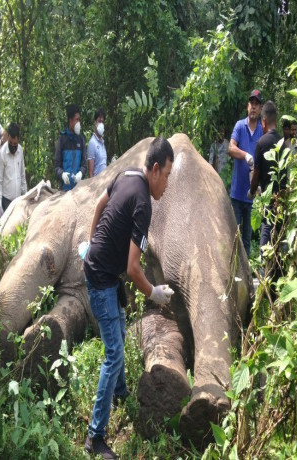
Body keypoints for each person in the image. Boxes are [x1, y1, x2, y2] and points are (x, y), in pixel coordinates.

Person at [84, 137, 175, 459]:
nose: (167, 182)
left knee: (120, 331)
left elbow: (99, 206)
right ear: (154, 169)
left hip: (102, 271)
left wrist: (94, 242)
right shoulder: (143, 205)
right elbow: (134, 268)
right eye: (166, 174)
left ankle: (120, 393)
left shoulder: (127, 176)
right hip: (101, 279)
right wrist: (154, 293)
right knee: (114, 355)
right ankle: (95, 437)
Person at [248, 101, 286, 281]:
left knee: (265, 247)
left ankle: (264, 288)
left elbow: (256, 174)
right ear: (275, 121)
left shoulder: (261, 143)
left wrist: (251, 190)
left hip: (269, 205)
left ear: (263, 122)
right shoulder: (284, 143)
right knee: (280, 247)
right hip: (283, 205)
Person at [228, 89, 263, 257]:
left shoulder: (262, 131)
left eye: (257, 104)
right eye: (252, 104)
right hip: (237, 194)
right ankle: (233, 274)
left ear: (260, 109)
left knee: (247, 239)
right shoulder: (240, 126)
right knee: (233, 237)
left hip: (252, 195)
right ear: (247, 106)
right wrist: (245, 155)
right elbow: (230, 148)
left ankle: (246, 277)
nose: (254, 107)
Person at [0, 122, 27, 219]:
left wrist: (26, 195)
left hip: (18, 200)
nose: (13, 146)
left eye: (15, 143)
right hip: (6, 201)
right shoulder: (2, 153)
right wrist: (0, 206)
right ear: (8, 137)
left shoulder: (20, 150)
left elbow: (22, 175)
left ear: (18, 140)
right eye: (11, 143)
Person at [54, 104, 87, 191]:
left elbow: (84, 164)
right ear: (70, 121)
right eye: (77, 120)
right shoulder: (62, 140)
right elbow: (56, 166)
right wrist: (62, 175)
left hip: (78, 190)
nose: (78, 123)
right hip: (64, 190)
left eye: (79, 120)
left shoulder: (81, 140)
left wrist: (81, 173)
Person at [88, 108, 107, 178]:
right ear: (95, 123)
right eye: (99, 121)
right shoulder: (92, 143)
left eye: (103, 122)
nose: (101, 124)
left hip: (104, 181)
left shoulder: (102, 142)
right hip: (97, 183)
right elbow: (90, 172)